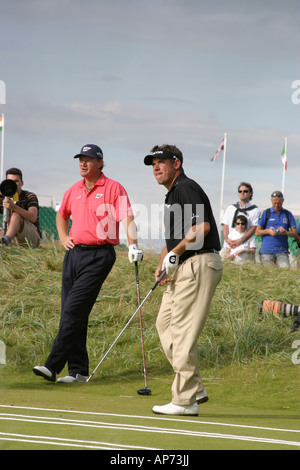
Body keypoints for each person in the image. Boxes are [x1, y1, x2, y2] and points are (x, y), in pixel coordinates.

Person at [33, 144, 143, 383]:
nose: (83, 164)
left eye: (88, 160)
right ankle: (79, 371)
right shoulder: (74, 190)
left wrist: (132, 244)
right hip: (74, 254)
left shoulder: (113, 188)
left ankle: (52, 366)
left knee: (73, 309)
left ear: (100, 163)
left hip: (100, 255)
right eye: (80, 160)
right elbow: (61, 215)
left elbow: (127, 216)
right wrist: (63, 237)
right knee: (73, 312)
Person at [144, 144, 223, 416]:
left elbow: (202, 228)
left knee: (182, 331)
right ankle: (195, 387)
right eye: (153, 163)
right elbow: (180, 236)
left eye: (161, 162)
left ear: (176, 163)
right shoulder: (172, 195)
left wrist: (174, 255)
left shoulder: (186, 187)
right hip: (185, 265)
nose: (156, 167)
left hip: (200, 263)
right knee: (164, 323)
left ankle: (184, 400)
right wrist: (165, 260)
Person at [255, 191, 299, 268]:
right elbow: (257, 232)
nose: (276, 205)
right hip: (266, 252)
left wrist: (286, 233)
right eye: (274, 203)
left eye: (279, 203)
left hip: (282, 252)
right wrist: (268, 231)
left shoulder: (288, 214)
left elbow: (295, 233)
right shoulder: (265, 213)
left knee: (284, 274)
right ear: (271, 201)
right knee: (268, 275)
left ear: (283, 201)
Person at [0, 168, 41, 247]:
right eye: (10, 181)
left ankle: (6, 240)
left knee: (16, 216)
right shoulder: (2, 197)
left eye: (16, 181)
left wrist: (14, 207)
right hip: (8, 231)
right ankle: (6, 239)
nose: (13, 184)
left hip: (29, 236)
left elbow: (33, 217)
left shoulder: (29, 196)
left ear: (22, 183)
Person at [221, 182, 261, 258]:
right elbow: (225, 226)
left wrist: (240, 240)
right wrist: (227, 240)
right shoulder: (231, 208)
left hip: (244, 247)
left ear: (250, 194)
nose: (242, 193)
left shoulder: (255, 210)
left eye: (245, 191)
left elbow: (253, 228)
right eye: (240, 191)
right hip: (229, 246)